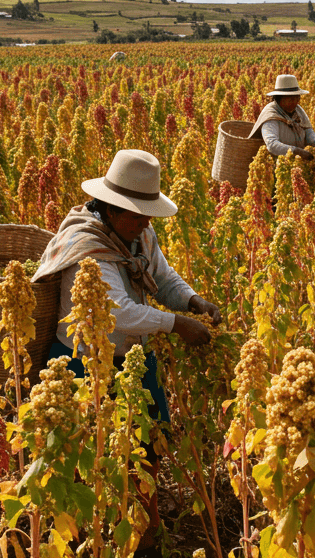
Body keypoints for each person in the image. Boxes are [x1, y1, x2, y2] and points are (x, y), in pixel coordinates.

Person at [33, 148, 221, 555]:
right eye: (136, 215)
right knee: (89, 461)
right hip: (84, 365)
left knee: (148, 449)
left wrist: (193, 302)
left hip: (132, 361)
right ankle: (92, 540)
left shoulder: (138, 233)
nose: (143, 223)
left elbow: (162, 277)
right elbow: (115, 313)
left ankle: (142, 535)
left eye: (146, 215)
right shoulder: (87, 244)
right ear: (109, 207)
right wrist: (176, 324)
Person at [249, 74, 315, 160]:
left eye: (297, 98)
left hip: (300, 164)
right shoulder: (271, 115)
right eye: (291, 99)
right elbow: (272, 145)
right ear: (279, 98)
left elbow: (308, 131)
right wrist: (296, 151)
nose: (295, 102)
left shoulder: (298, 111)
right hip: (277, 165)